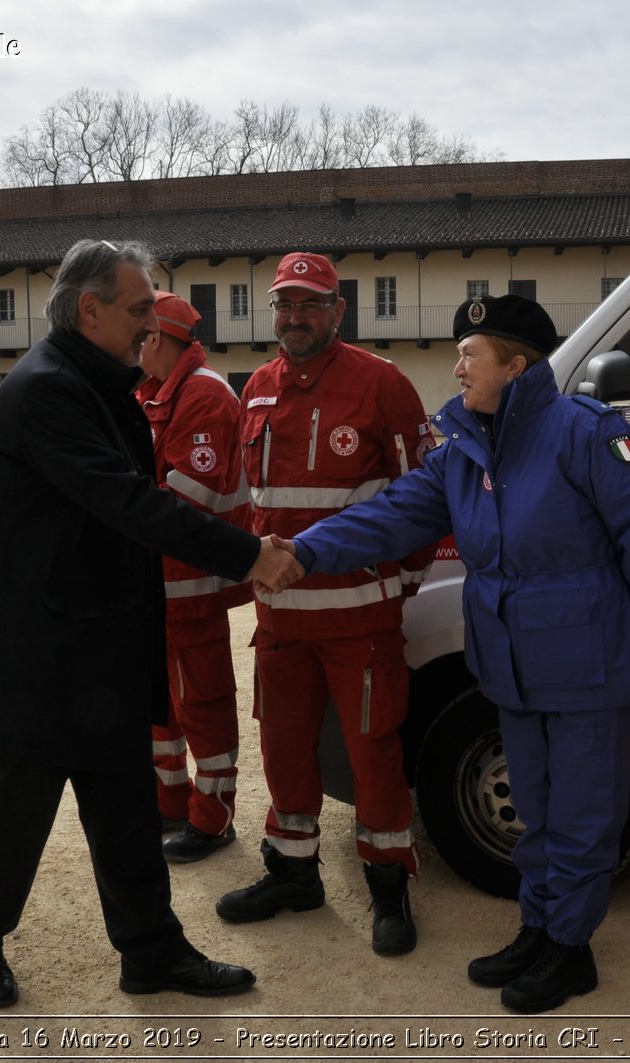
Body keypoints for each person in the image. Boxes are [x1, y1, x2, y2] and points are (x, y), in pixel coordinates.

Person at [279, 294, 630, 1013]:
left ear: (516, 363)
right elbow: (391, 514)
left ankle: (571, 948)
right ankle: (540, 929)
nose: (459, 364)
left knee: (584, 815)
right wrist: (302, 552)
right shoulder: (465, 449)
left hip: (588, 665)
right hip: (512, 666)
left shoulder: (583, 435)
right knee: (534, 807)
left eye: (473, 353)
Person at [0, 238, 300, 1009]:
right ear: (88, 308)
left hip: (97, 642)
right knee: (19, 805)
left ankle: (151, 951)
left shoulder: (100, 380)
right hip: (38, 649)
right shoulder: (47, 390)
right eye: (140, 308)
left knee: (128, 805)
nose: (152, 321)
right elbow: (129, 502)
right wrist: (249, 554)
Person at [217, 252, 436, 957]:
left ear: (338, 312)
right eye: (284, 304)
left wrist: (397, 587)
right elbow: (253, 505)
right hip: (281, 623)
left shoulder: (382, 385)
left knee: (374, 753)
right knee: (283, 748)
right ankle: (292, 870)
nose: (295, 317)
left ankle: (388, 884)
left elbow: (421, 501)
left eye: (311, 304)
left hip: (359, 619)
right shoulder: (254, 389)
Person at [136, 292, 253, 863]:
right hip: (158, 578)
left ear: (156, 337)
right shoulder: (158, 391)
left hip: (190, 580)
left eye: (138, 331)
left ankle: (214, 816)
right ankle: (171, 800)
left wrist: (115, 509)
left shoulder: (203, 393)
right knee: (160, 698)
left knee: (202, 700)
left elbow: (191, 497)